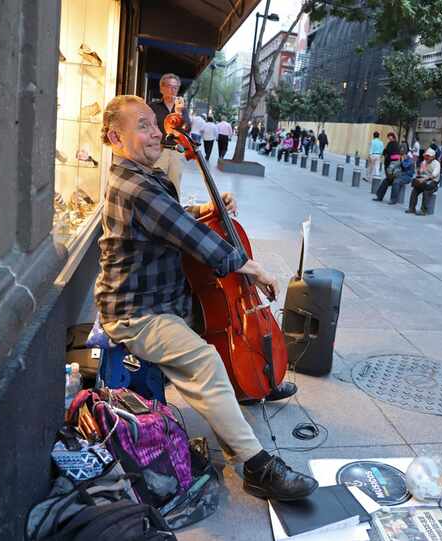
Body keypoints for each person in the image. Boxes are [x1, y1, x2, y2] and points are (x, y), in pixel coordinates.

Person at [97, 95, 318, 501]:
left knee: (225, 330)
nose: (154, 133)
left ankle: (251, 386)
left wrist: (202, 207)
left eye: (153, 124)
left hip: (161, 299)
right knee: (206, 359)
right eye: (142, 126)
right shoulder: (133, 185)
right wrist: (251, 267)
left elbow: (171, 216)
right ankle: (256, 466)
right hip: (137, 312)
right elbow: (190, 236)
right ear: (115, 137)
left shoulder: (138, 178)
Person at [149, 73, 190, 192]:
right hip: (158, 151)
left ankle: (173, 210)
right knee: (155, 186)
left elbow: (187, 129)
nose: (172, 90)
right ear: (162, 88)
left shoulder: (181, 109)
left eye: (175, 87)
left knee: (174, 187)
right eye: (169, 86)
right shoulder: (152, 107)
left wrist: (179, 112)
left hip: (176, 151)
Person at [406, 148, 440, 215]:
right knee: (415, 190)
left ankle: (423, 210)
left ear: (433, 157)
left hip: (433, 182)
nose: (427, 157)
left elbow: (434, 175)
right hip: (423, 181)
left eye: (429, 156)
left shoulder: (437, 164)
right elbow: (421, 172)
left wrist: (424, 179)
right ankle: (411, 208)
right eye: (426, 155)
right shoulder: (424, 162)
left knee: (426, 191)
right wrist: (419, 171)